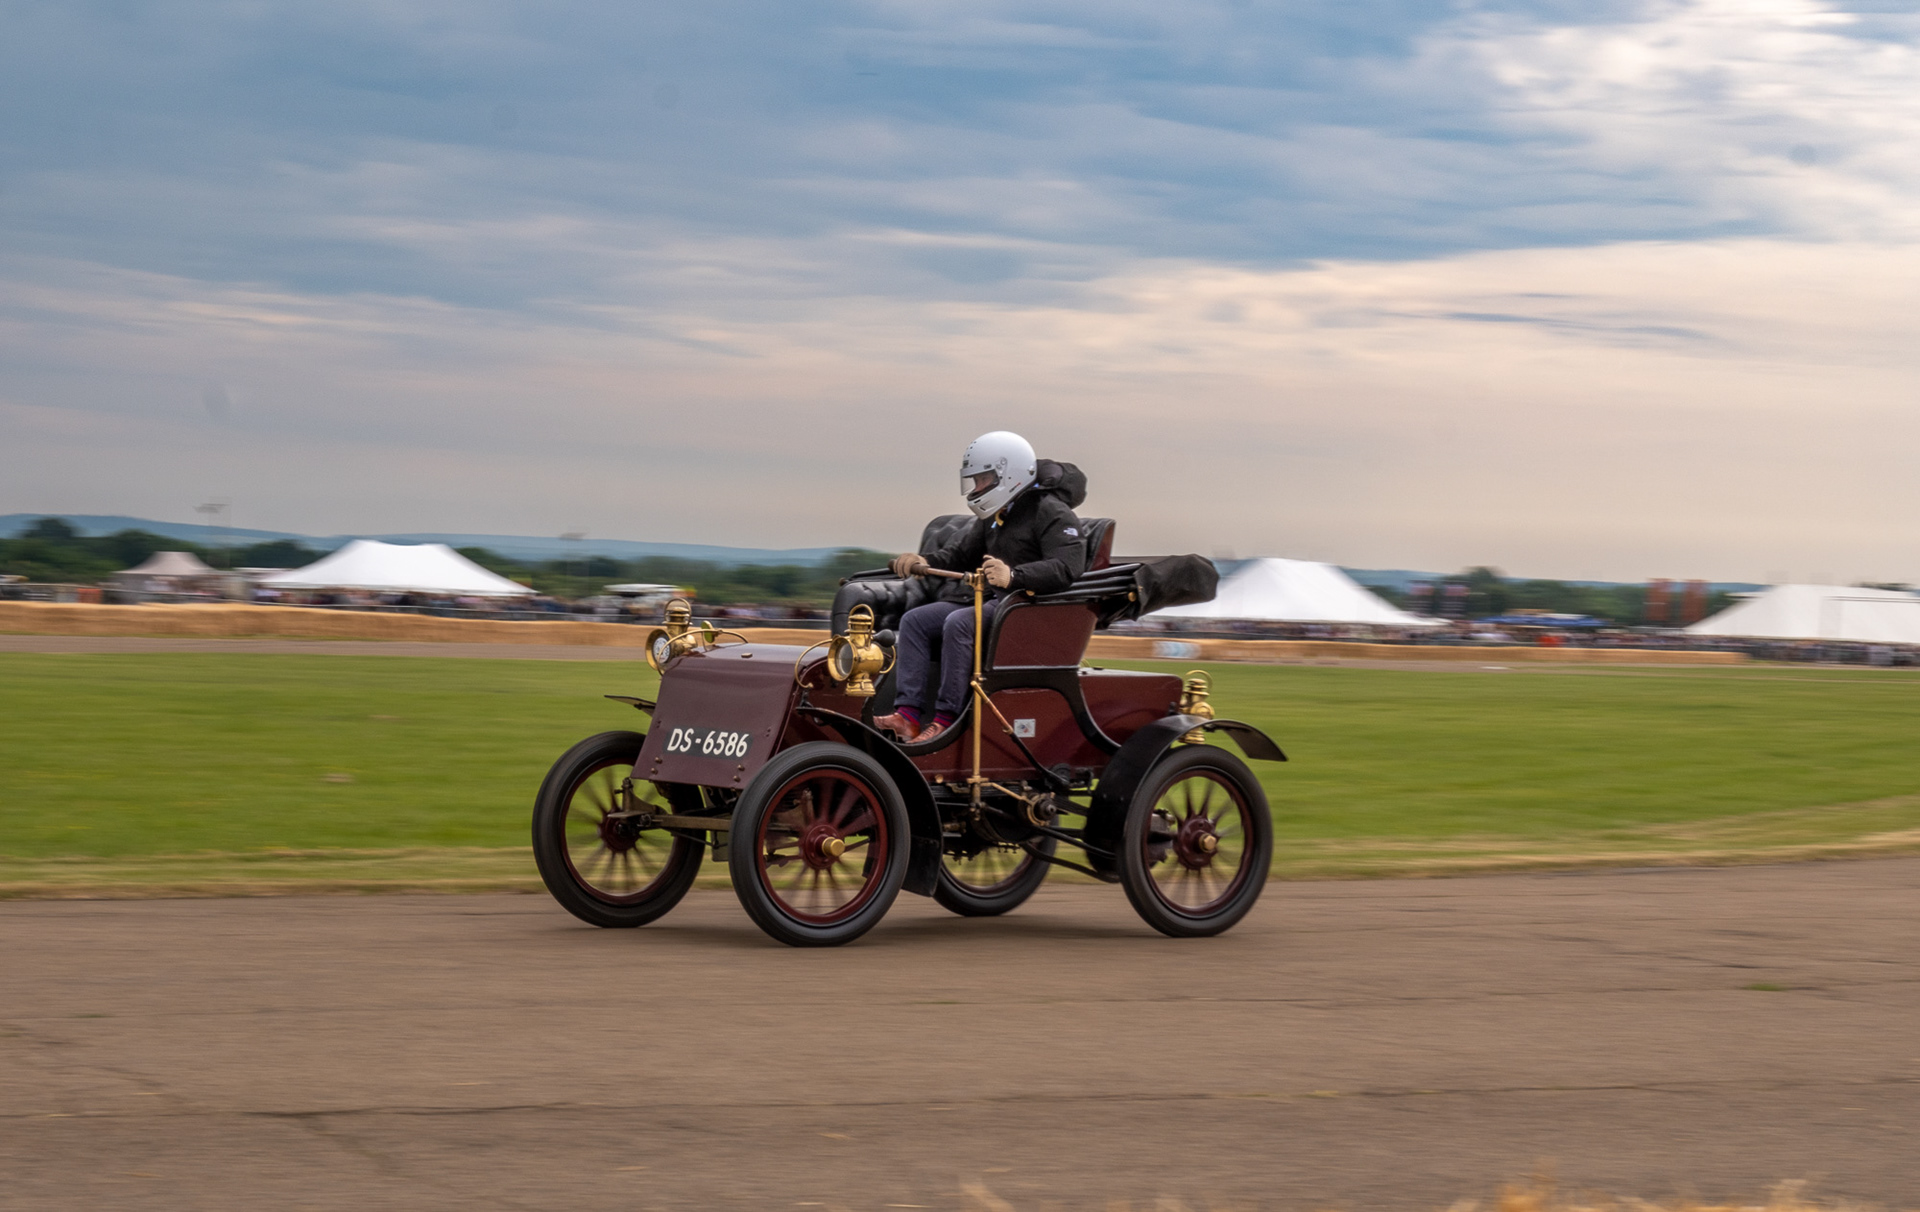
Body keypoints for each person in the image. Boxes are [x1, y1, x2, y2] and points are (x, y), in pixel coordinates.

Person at [872, 431, 1087, 743]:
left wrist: (1013, 575)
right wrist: (922, 559)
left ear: (1007, 475)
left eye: (982, 479)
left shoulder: (1051, 511)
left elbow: (1067, 567)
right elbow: (959, 556)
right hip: (986, 599)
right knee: (914, 621)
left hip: (1022, 606)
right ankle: (907, 716)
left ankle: (946, 720)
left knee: (958, 623)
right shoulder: (994, 515)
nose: (976, 488)